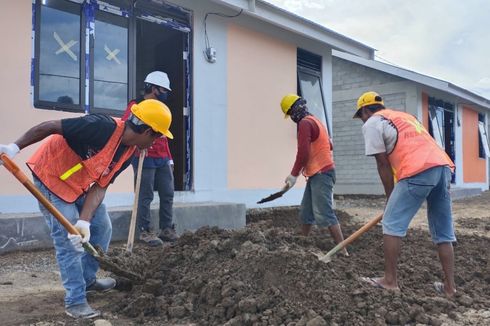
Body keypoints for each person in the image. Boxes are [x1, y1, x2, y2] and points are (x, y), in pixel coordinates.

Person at [0, 99, 173, 319]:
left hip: (78, 184)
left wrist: (84, 221)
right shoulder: (101, 126)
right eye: (158, 136)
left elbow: (100, 188)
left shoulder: (128, 153)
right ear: (148, 131)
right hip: (50, 175)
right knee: (68, 238)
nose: (157, 142)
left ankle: (88, 280)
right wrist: (14, 147)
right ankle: (75, 302)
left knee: (102, 227)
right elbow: (50, 126)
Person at [353, 91, 456, 297]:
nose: (362, 120)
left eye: (361, 116)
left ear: (365, 110)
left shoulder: (372, 122)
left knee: (391, 223)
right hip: (442, 167)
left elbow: (382, 163)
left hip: (417, 170)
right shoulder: (405, 117)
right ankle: (450, 287)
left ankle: (390, 281)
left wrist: (390, 197)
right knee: (443, 231)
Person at [280, 94, 349, 256]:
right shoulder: (315, 120)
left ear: (294, 110)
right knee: (306, 211)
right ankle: (302, 242)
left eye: (290, 114)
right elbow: (329, 144)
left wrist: (293, 174)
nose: (291, 118)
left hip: (322, 173)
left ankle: (343, 250)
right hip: (318, 173)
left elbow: (303, 152)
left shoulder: (305, 123)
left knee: (324, 212)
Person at [122, 71, 177, 246]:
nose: (165, 94)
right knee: (145, 196)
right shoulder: (136, 105)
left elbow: (163, 135)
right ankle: (145, 231)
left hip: (162, 157)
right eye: (163, 90)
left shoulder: (161, 109)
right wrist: (137, 146)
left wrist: (170, 159)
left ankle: (166, 229)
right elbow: (127, 129)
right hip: (143, 156)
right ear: (154, 89)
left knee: (167, 193)